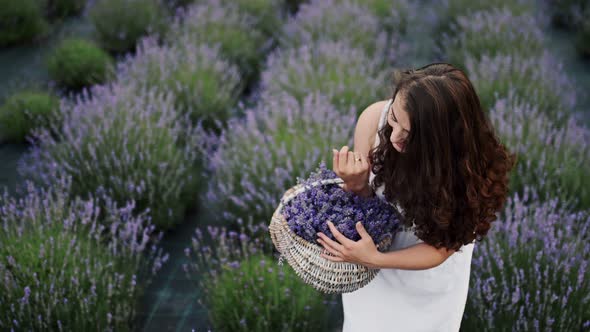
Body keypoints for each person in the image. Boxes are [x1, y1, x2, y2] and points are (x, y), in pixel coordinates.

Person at [316, 63, 517, 332]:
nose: (395, 135)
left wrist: (376, 259)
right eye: (395, 119)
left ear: (440, 141)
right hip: (373, 263)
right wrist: (356, 183)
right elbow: (364, 206)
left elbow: (440, 249)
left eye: (409, 134)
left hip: (425, 279)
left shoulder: (465, 171)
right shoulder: (373, 118)